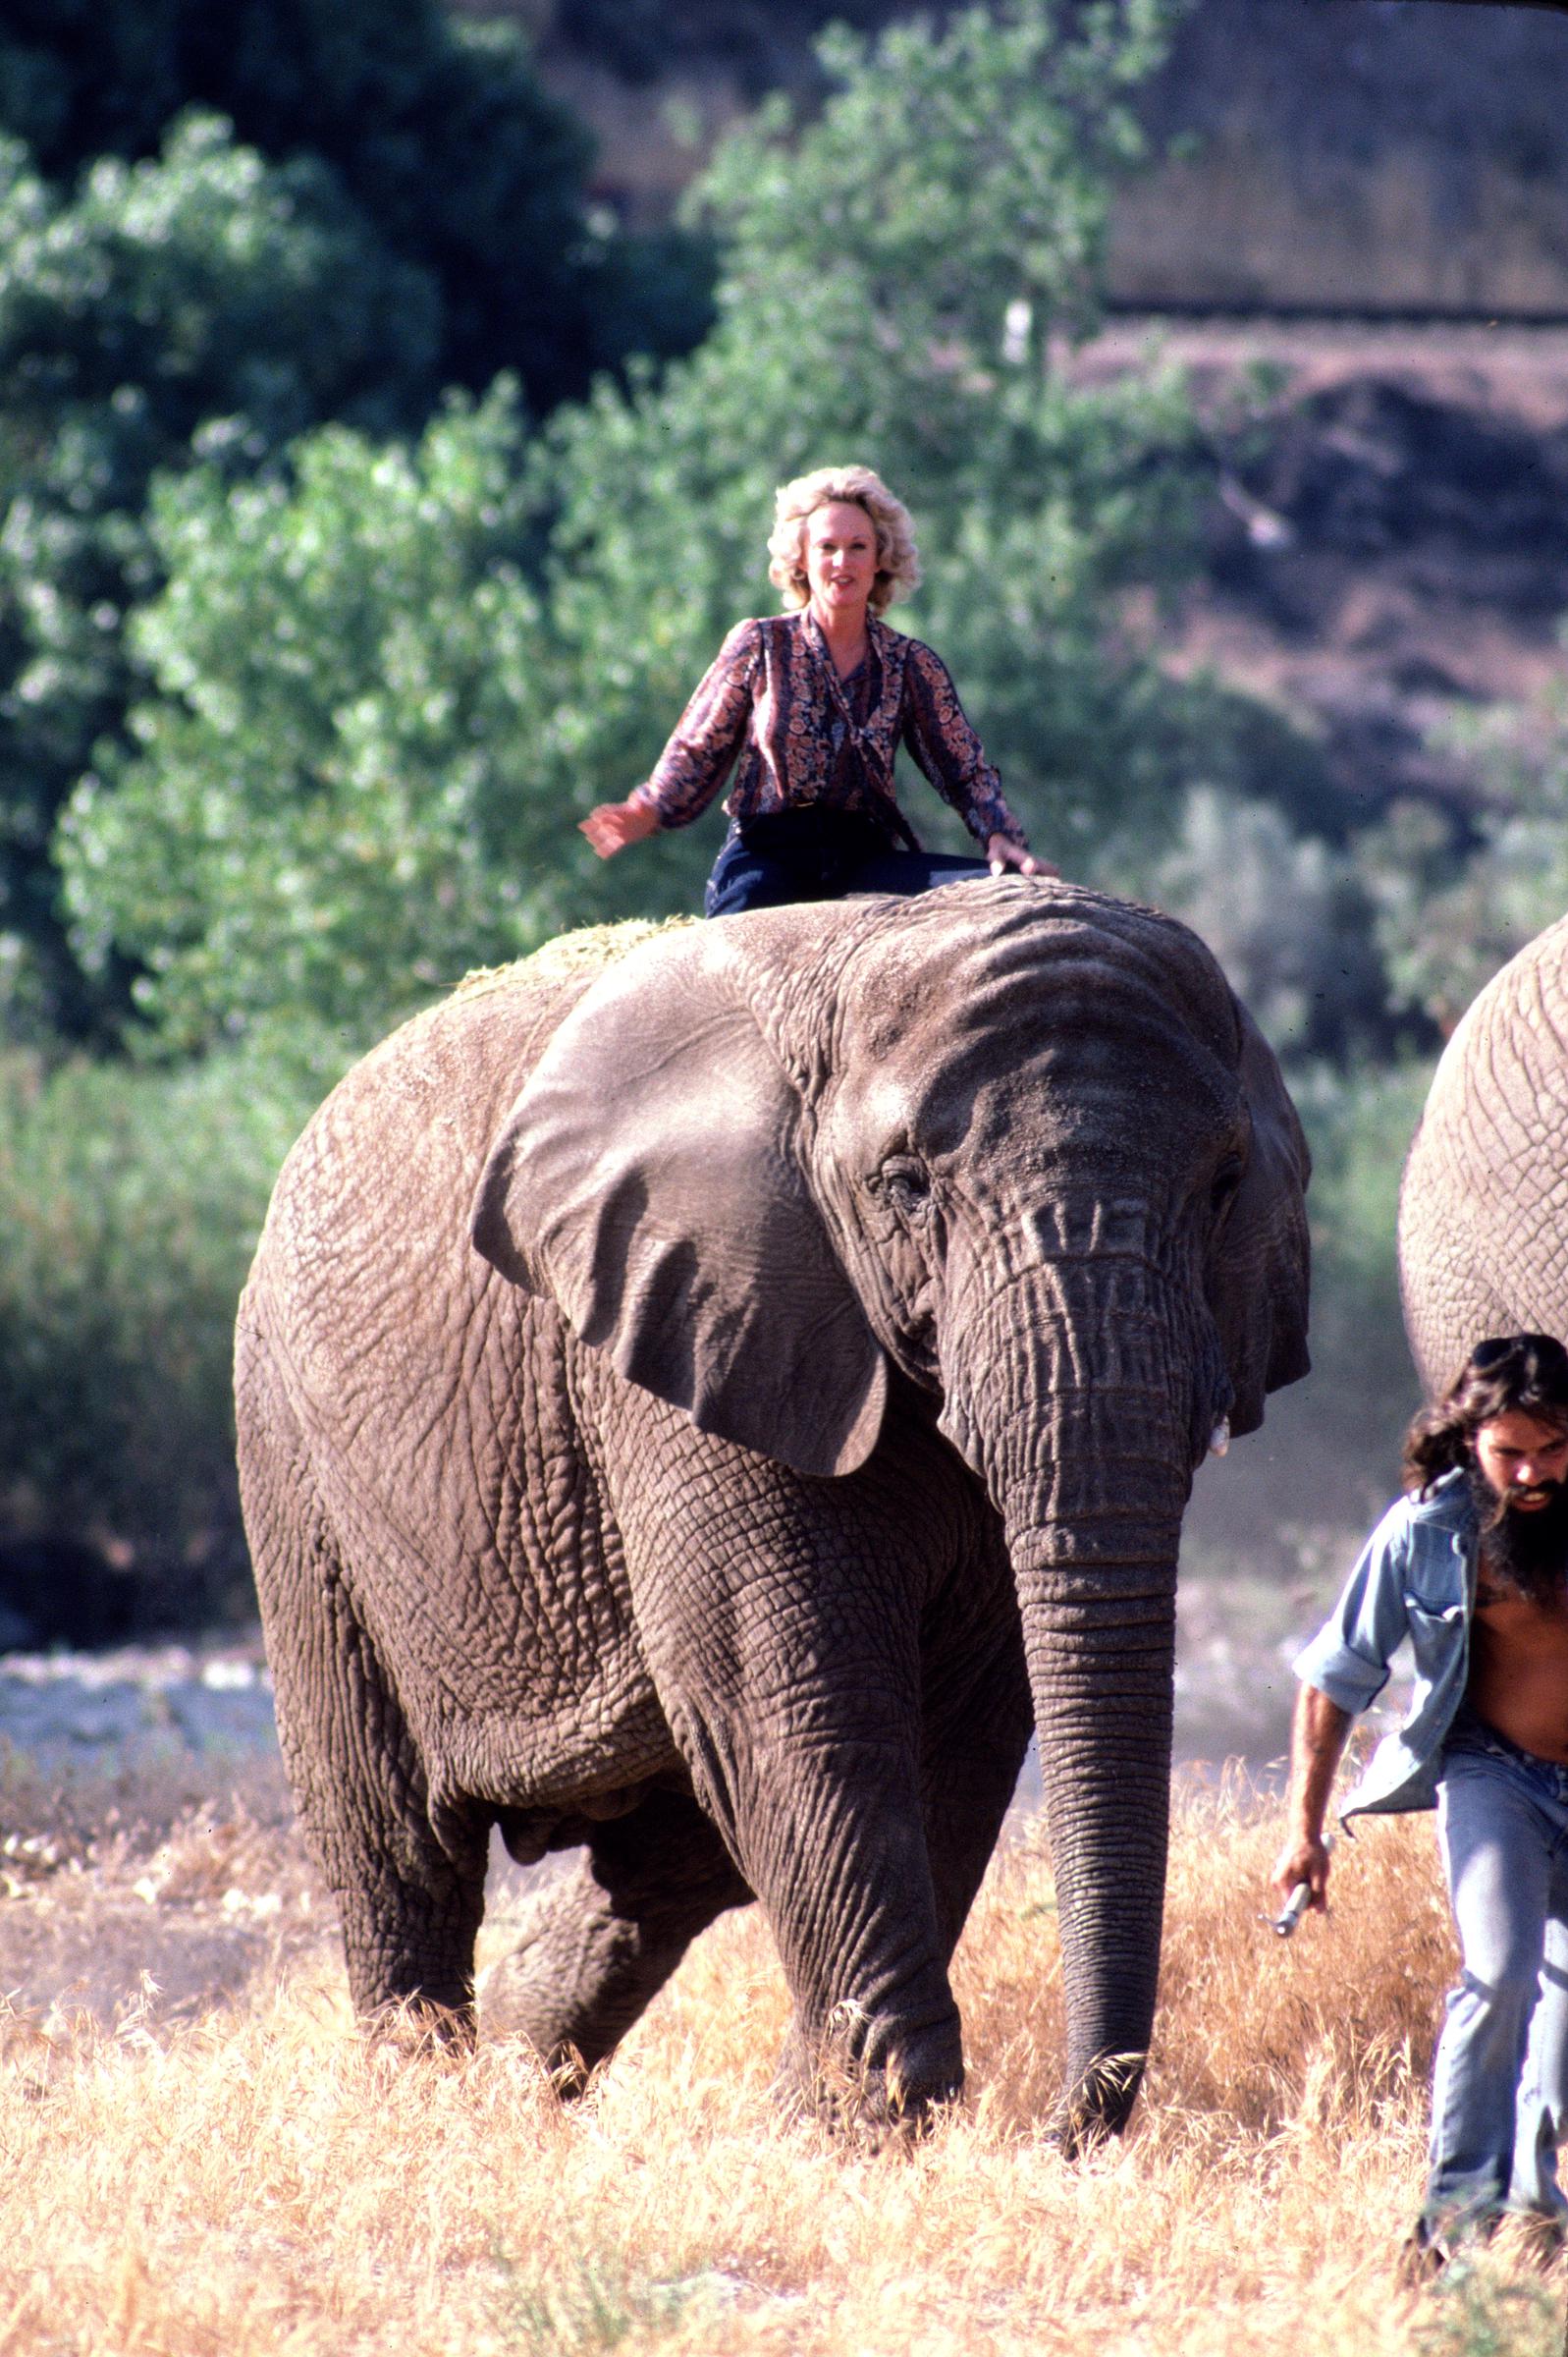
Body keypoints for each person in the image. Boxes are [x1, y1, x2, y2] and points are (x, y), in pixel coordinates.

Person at [1271, 1332, 1568, 2270]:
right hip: (1496, 1777)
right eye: (1508, 1450)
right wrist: (1303, 1831)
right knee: (1501, 1971)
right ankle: (1448, 2233)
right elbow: (1331, 1681)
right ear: (1467, 1436)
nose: (1530, 1473)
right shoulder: (1427, 1530)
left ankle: (1535, 2202)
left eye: (1553, 1449)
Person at [579, 464, 1056, 915]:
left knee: (1002, 896)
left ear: (880, 562)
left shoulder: (912, 664)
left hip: (866, 858)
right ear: (803, 562)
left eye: (858, 547)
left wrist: (998, 833)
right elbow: (698, 746)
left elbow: (965, 770)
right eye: (827, 548)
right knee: (731, 957)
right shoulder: (760, 644)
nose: (841, 562)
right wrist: (651, 807)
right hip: (767, 855)